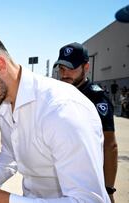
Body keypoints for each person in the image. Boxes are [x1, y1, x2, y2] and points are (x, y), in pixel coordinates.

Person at [0, 31, 110, 202]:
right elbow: (10, 154)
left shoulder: (62, 110)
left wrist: (3, 199)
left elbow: (89, 200)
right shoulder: (2, 103)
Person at [54, 42, 118, 202]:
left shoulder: (97, 98)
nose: (65, 74)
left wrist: (108, 189)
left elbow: (110, 145)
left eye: (71, 68)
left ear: (86, 67)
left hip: (87, 182)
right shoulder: (59, 93)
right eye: (62, 68)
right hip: (60, 180)